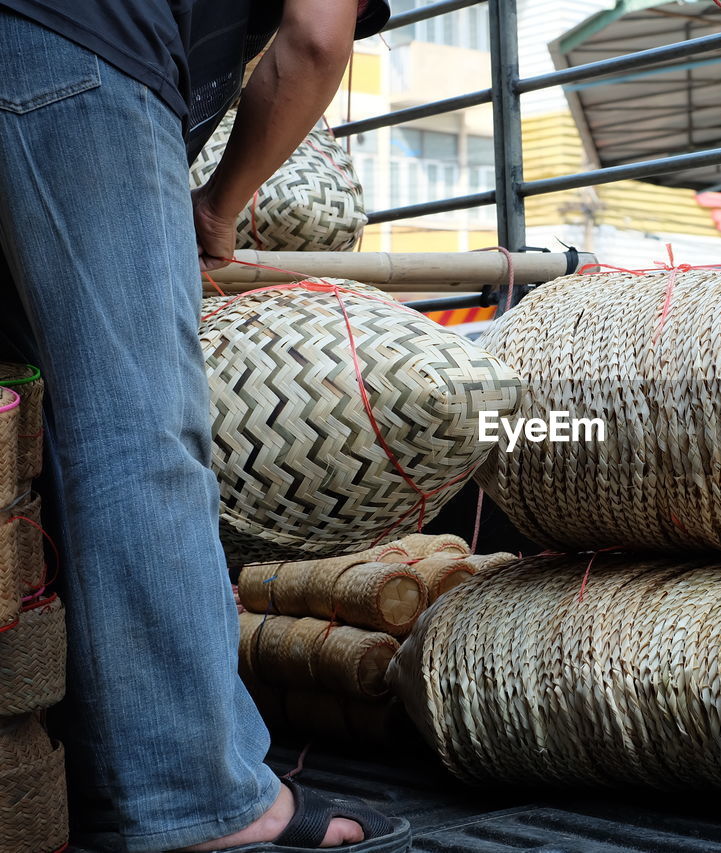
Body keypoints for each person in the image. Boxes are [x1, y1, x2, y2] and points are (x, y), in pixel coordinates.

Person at [0, 1, 413, 850]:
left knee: (24, 423)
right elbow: (314, 37)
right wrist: (221, 203)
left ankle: (85, 769)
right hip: (76, 56)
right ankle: (196, 797)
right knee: (135, 433)